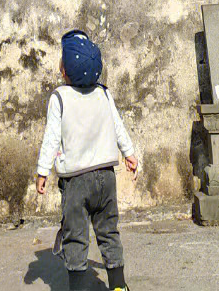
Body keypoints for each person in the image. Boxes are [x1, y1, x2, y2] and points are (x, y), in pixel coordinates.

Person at [35, 29, 138, 291]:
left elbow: (51, 138)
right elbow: (118, 126)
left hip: (75, 182)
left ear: (64, 71)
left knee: (76, 239)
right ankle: (118, 286)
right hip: (106, 177)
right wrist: (129, 153)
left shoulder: (59, 97)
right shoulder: (104, 93)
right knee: (109, 233)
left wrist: (42, 171)